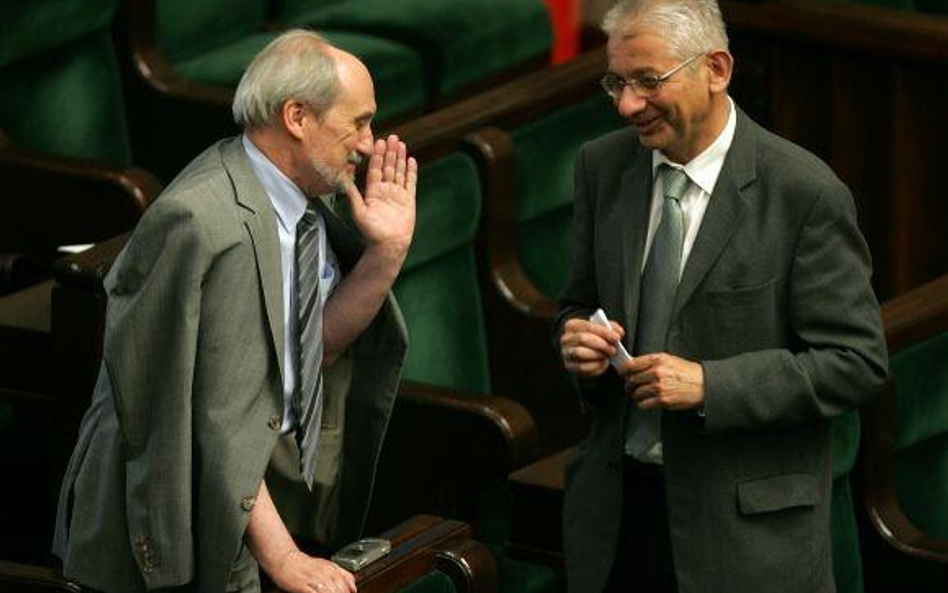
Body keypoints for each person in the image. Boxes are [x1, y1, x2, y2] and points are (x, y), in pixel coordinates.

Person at [53, 30, 416, 593]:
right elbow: (211, 416)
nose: (369, 144)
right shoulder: (202, 223)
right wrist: (285, 560)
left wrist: (385, 254)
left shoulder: (301, 198)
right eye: (359, 122)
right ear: (297, 116)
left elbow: (317, 346)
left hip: (253, 497)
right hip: (173, 524)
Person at [554, 1, 888, 592]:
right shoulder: (601, 167)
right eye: (616, 82)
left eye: (648, 82)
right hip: (618, 515)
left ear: (717, 68)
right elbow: (578, 303)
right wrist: (579, 341)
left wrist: (712, 385)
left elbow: (855, 364)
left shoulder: (803, 193)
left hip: (746, 539)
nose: (627, 104)